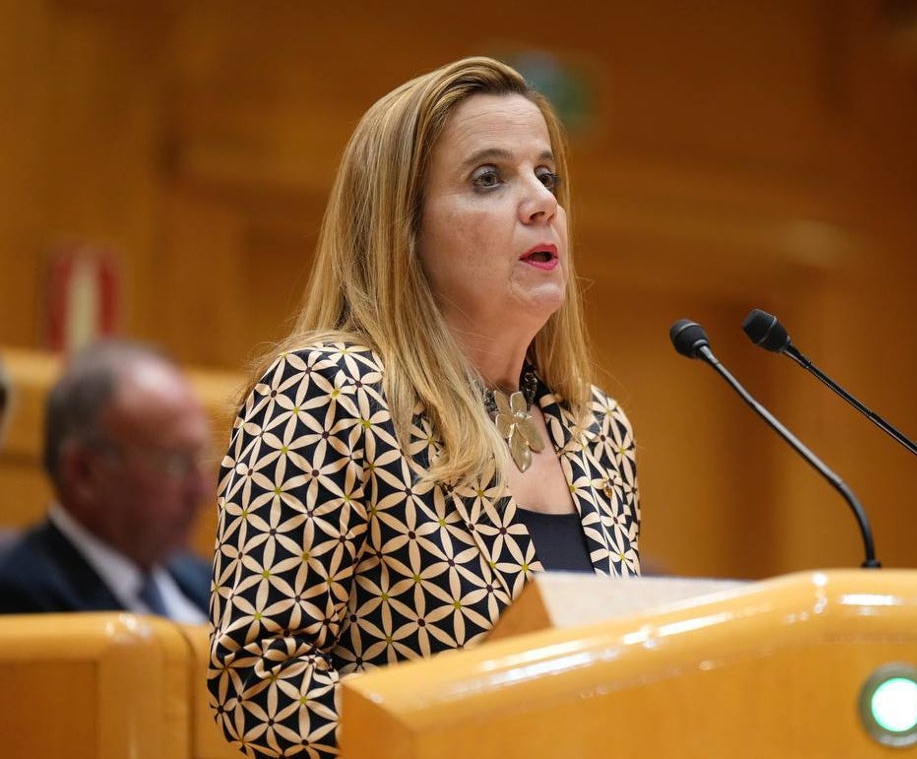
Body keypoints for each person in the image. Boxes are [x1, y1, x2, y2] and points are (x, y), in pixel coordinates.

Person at [208, 57, 641, 759]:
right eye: (489, 178)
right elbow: (260, 682)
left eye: (547, 175)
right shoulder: (329, 393)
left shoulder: (594, 430)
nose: (541, 203)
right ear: (404, 233)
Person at [0, 340, 212, 619]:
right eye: (176, 463)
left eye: (202, 459)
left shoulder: (213, 583)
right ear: (83, 472)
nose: (203, 491)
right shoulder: (21, 595)